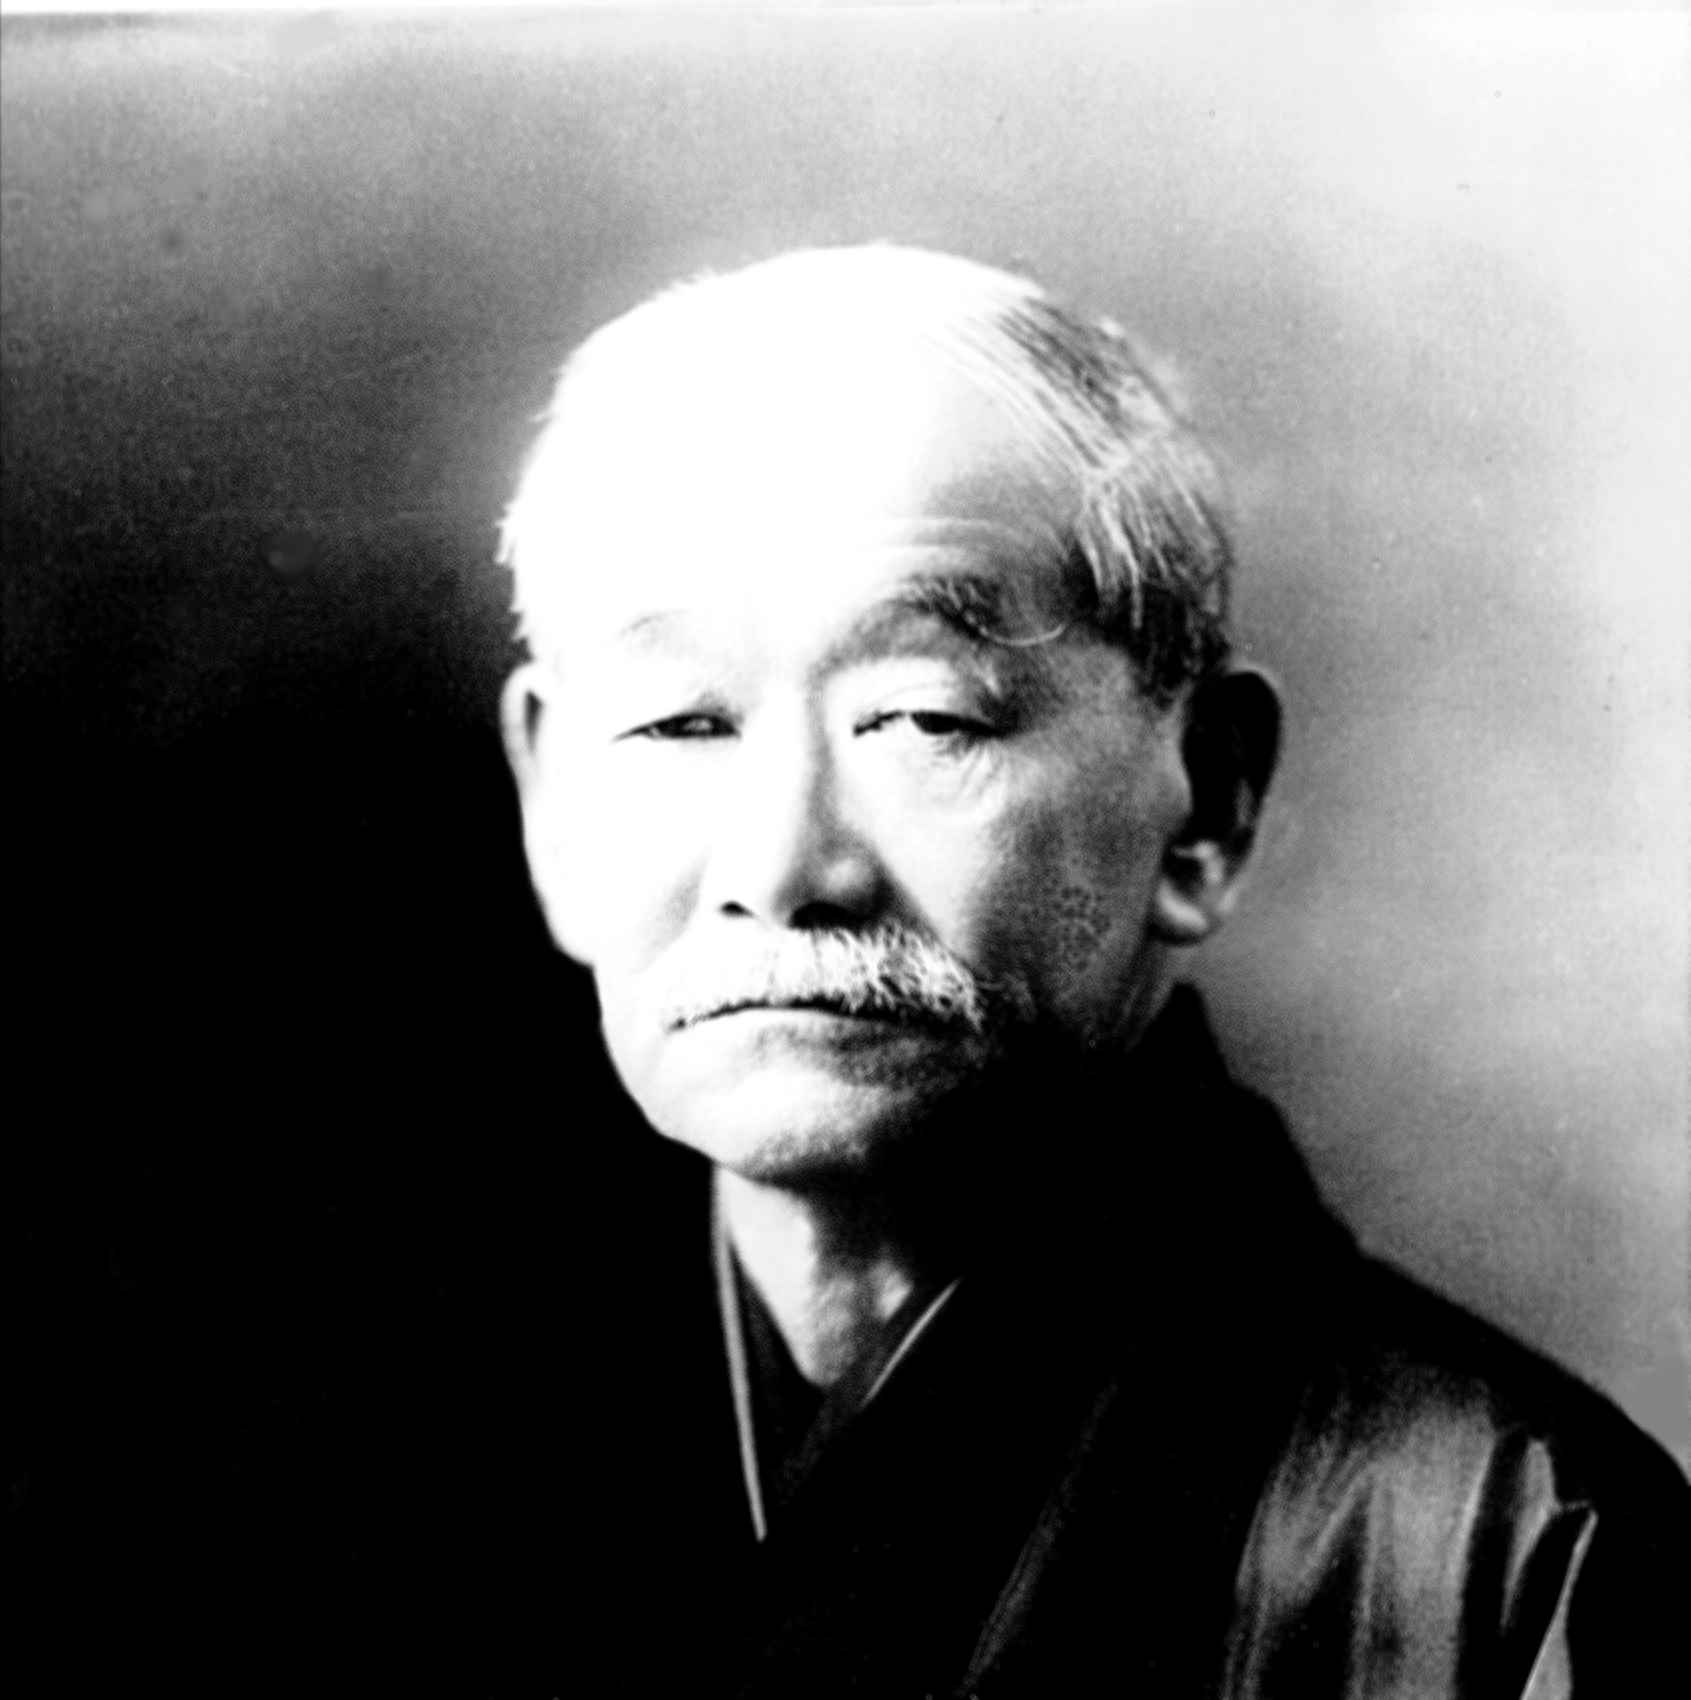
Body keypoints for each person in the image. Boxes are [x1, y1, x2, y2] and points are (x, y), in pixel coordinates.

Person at [496, 245, 1686, 1699]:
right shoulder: (381, 1472)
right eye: (681, 723)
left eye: (923, 718)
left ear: (1208, 800)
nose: (782, 867)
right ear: (551, 806)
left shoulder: (1515, 1545)